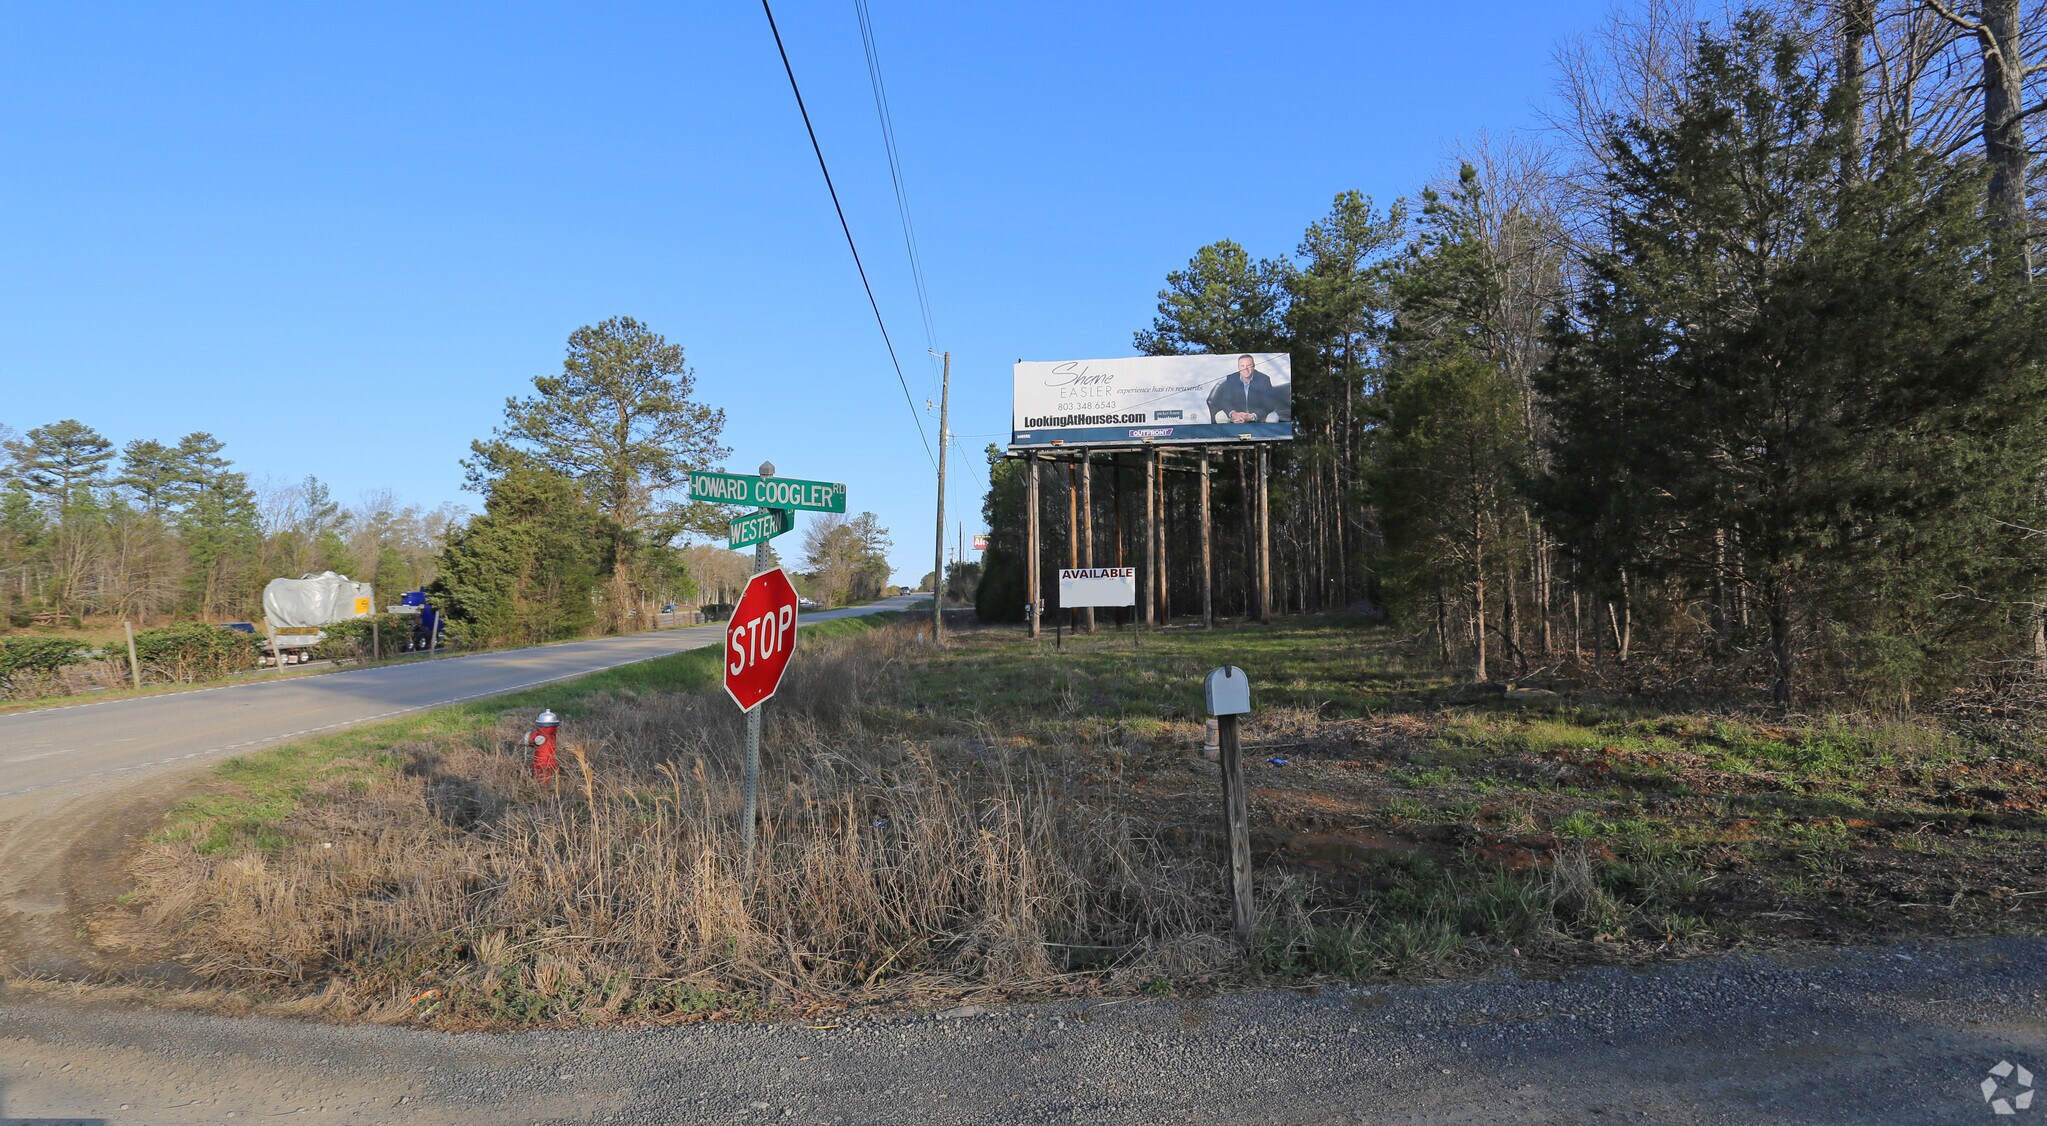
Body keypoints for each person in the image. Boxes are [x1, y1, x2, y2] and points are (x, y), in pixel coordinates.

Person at [1206, 355, 1286, 424]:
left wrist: (1253, 416)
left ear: (1254, 366)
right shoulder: (1231, 379)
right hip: (1237, 414)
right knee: (1220, 416)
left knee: (1273, 417)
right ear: (1238, 367)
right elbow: (1226, 401)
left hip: (1257, 415)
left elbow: (1269, 404)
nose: (1245, 369)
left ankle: (1266, 441)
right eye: (1242, 366)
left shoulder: (1264, 379)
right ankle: (1227, 440)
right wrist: (1234, 414)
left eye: (1249, 365)